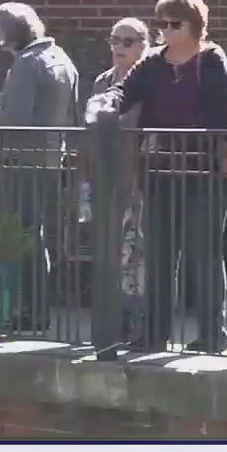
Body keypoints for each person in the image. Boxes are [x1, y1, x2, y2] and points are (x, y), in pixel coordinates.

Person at [85, 0, 227, 353]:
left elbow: (217, 114)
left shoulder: (213, 60)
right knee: (159, 252)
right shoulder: (152, 63)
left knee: (204, 252)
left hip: (206, 172)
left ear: (195, 26)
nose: (166, 31)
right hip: (160, 170)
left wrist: (182, 136)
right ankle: (155, 333)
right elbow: (125, 91)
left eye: (175, 24)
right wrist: (106, 102)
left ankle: (212, 334)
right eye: (162, 24)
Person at [0, 2, 79, 329]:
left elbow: (14, 120)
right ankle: (38, 309)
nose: (0, 44)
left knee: (24, 235)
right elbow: (72, 115)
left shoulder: (27, 64)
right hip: (51, 158)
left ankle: (32, 312)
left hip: (22, 158)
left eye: (1, 37)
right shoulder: (63, 60)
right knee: (34, 233)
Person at [90, 17, 150, 334]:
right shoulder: (102, 83)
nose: (119, 48)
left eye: (128, 42)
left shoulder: (152, 83)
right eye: (114, 41)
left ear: (144, 45)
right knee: (113, 252)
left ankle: (140, 321)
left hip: (141, 177)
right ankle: (115, 322)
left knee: (138, 253)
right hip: (108, 178)